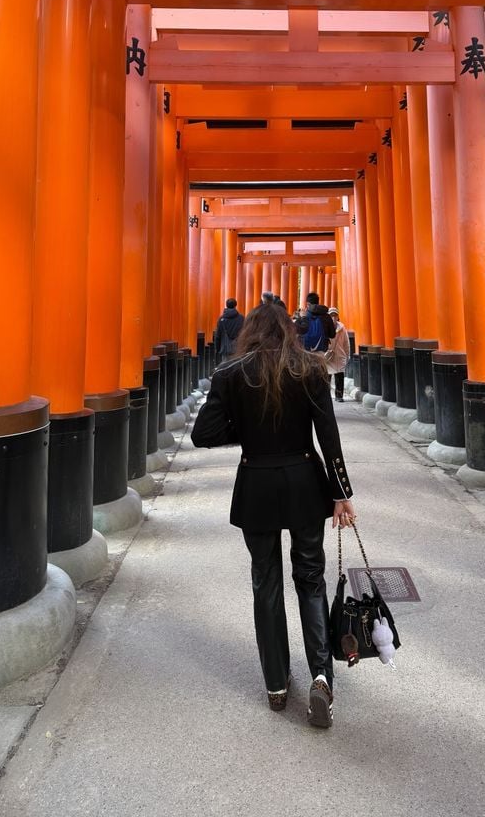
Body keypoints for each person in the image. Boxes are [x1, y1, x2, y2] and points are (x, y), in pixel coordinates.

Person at [191, 304, 355, 728]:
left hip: (257, 485)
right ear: (289, 330)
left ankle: (276, 684)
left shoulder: (231, 374)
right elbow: (328, 436)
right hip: (304, 481)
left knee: (265, 581)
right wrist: (341, 494)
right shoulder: (310, 370)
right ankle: (321, 676)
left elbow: (202, 433)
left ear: (249, 332)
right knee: (310, 578)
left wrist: (244, 431)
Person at [325, 307, 350, 402]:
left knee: (339, 377)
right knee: (327, 377)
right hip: (329, 356)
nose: (333, 318)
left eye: (335, 315)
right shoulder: (325, 327)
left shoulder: (342, 328)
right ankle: (326, 396)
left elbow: (346, 343)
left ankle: (339, 396)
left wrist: (347, 355)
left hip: (339, 355)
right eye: (331, 315)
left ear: (338, 317)